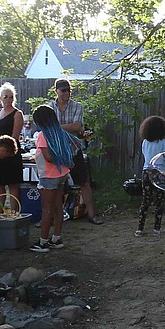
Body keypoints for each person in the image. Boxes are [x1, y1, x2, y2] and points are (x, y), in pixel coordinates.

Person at [51, 78, 104, 224]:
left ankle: (92, 214)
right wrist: (62, 127)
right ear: (56, 91)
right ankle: (53, 216)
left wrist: (57, 127)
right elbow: (48, 127)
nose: (67, 93)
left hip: (73, 149)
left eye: (69, 90)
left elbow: (77, 126)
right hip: (56, 151)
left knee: (83, 182)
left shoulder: (77, 106)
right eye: (63, 90)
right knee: (55, 185)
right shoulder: (49, 107)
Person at [29, 105, 75, 252]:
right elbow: (73, 147)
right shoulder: (60, 132)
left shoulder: (43, 135)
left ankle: (43, 242)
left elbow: (48, 157)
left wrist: (59, 159)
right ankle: (56, 238)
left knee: (47, 210)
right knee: (58, 207)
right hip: (61, 174)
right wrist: (65, 161)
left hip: (48, 176)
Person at [0, 82, 25, 213]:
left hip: (11, 153)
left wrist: (2, 145)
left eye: (11, 96)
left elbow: (15, 136)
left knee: (13, 185)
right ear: (0, 98)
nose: (8, 99)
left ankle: (14, 213)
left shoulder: (17, 114)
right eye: (5, 96)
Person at [136, 116, 165, 237]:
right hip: (159, 173)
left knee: (145, 200)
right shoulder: (163, 142)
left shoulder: (145, 142)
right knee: (159, 201)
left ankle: (139, 229)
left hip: (146, 172)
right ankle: (156, 229)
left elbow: (145, 156)